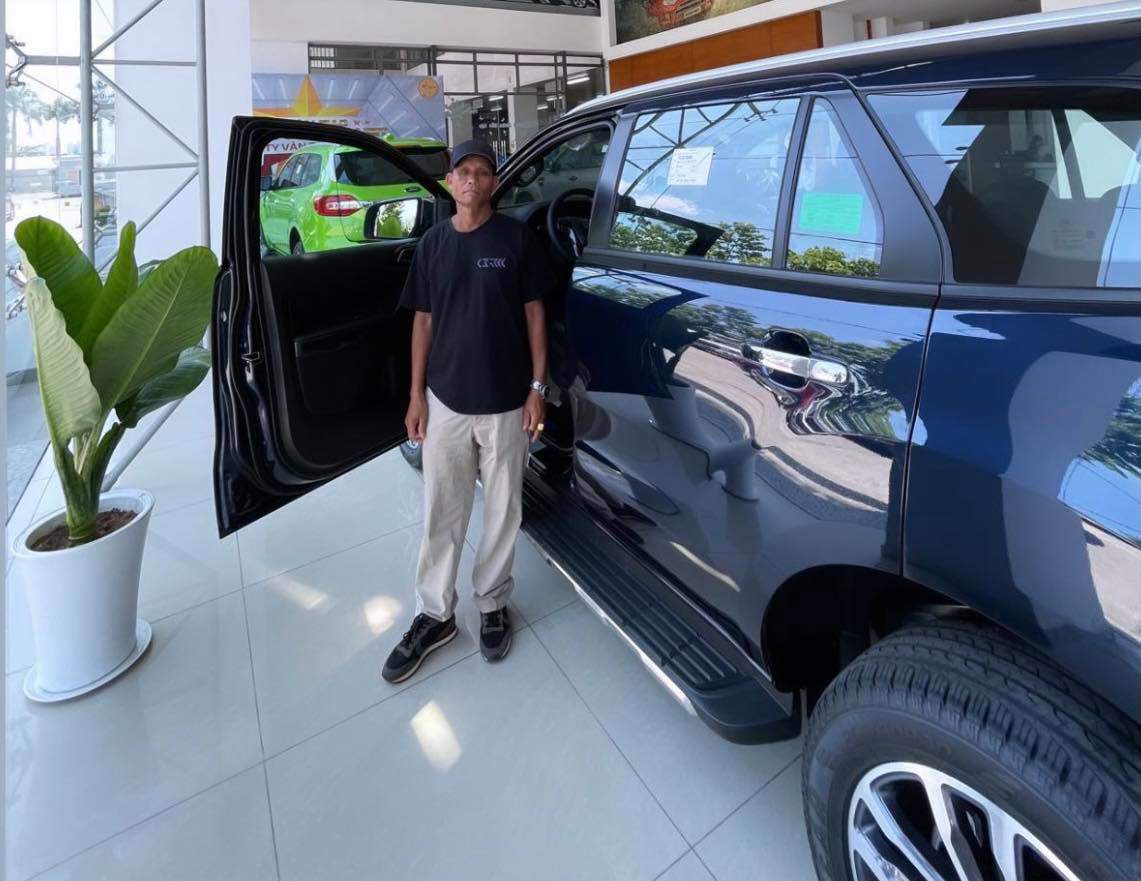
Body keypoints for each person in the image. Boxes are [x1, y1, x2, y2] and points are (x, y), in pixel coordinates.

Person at [382, 139, 553, 684]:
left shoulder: (516, 239)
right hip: (446, 401)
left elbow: (535, 315)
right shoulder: (433, 244)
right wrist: (416, 395)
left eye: (483, 171)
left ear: (494, 183)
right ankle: (435, 615)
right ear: (450, 182)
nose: (473, 179)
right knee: (442, 509)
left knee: (504, 509)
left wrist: (537, 387)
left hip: (507, 401)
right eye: (464, 171)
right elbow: (422, 321)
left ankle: (492, 602)